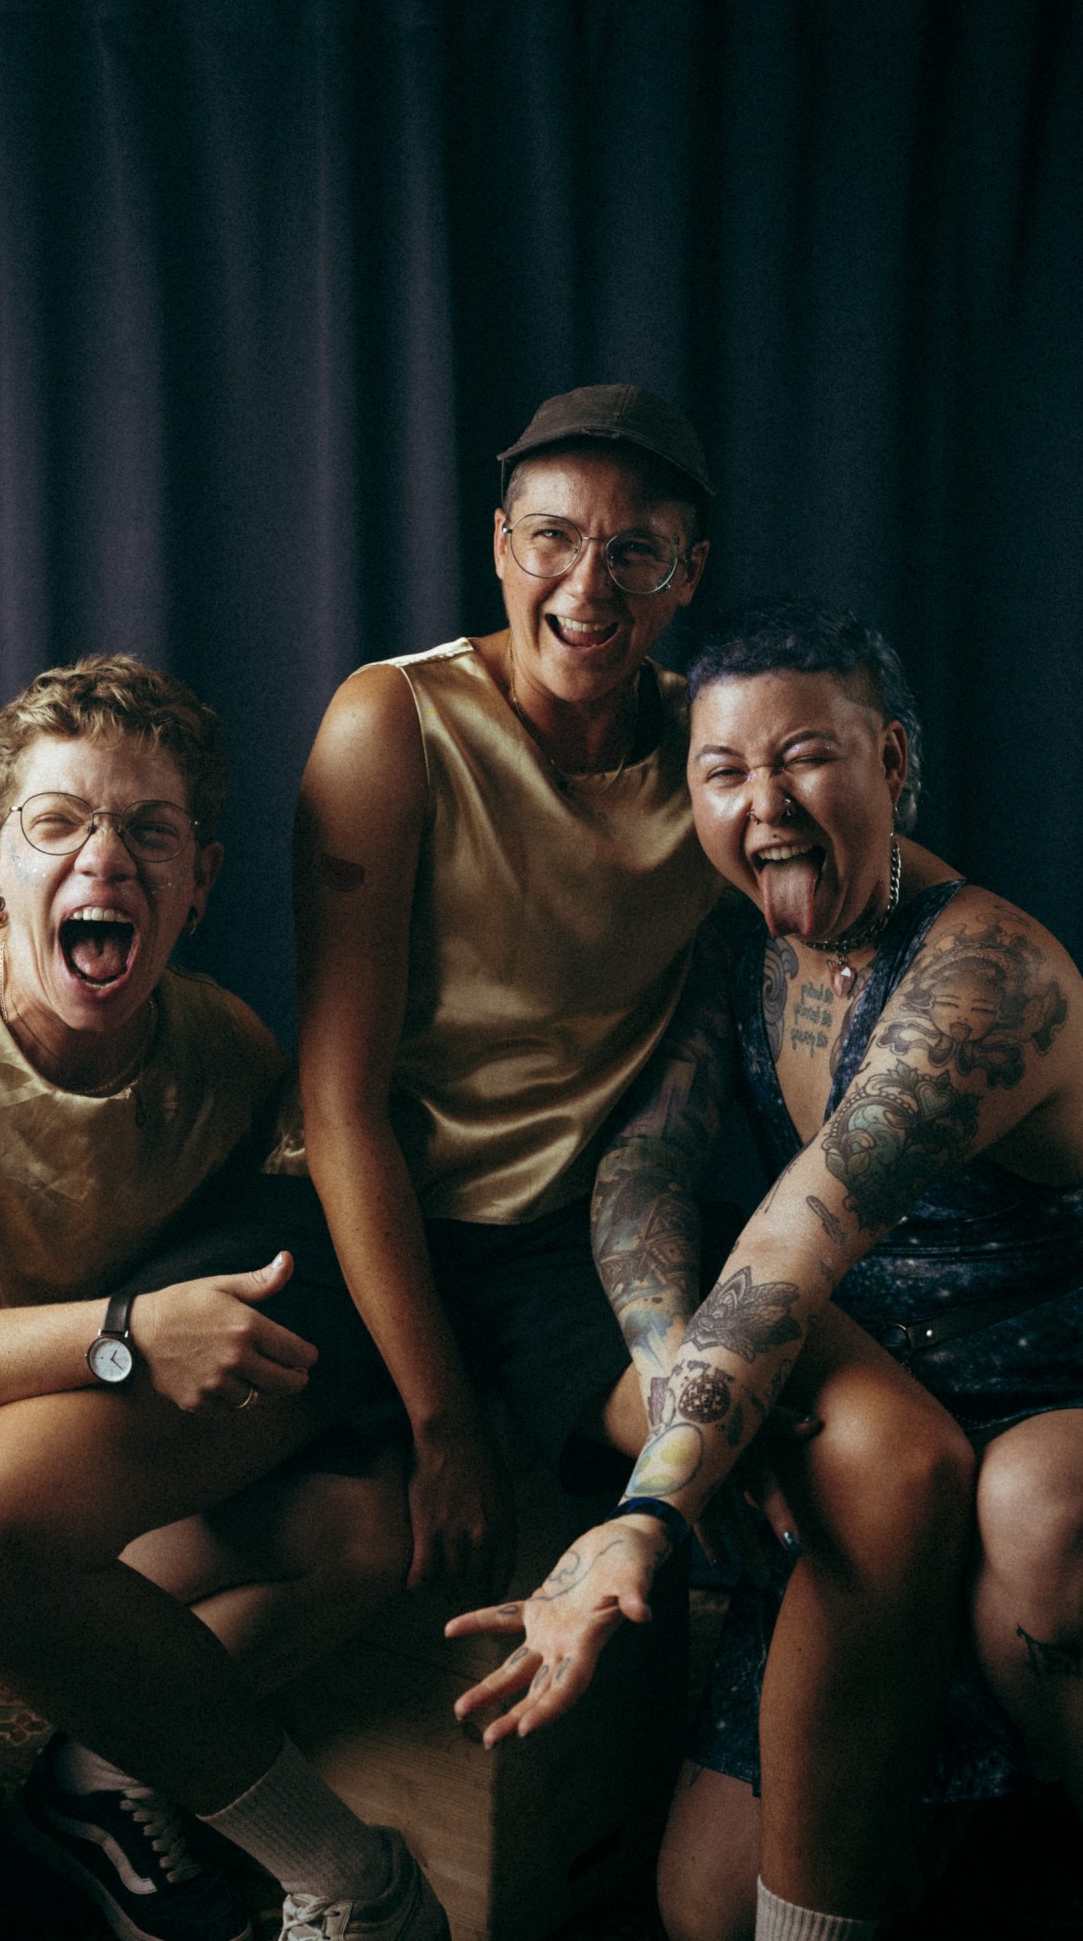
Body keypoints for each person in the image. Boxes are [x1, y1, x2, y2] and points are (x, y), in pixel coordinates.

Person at [0, 654, 444, 1941]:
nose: (104, 858)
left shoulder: (225, 1048)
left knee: (361, 1525)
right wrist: (124, 1334)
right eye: (58, 820)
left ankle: (99, 1779)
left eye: (149, 830)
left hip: (54, 1485)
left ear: (201, 879)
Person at [449, 604, 1083, 1941]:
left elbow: (793, 1239)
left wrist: (650, 1510)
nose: (765, 804)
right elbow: (641, 1172)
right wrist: (676, 1381)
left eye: (804, 758)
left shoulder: (985, 973)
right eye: (724, 771)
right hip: (881, 1425)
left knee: (1036, 1513)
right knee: (703, 1909)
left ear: (892, 761)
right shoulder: (739, 947)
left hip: (1044, 1400)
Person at [281, 383, 724, 1594]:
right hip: (366, 1206)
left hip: (561, 1243)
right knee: (54, 1504)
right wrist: (444, 1426)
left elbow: (871, 863)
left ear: (687, 574)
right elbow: (339, 1105)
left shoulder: (714, 744)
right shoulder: (394, 719)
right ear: (498, 544)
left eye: (635, 552)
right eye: (552, 538)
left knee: (753, 1441)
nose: (587, 587)